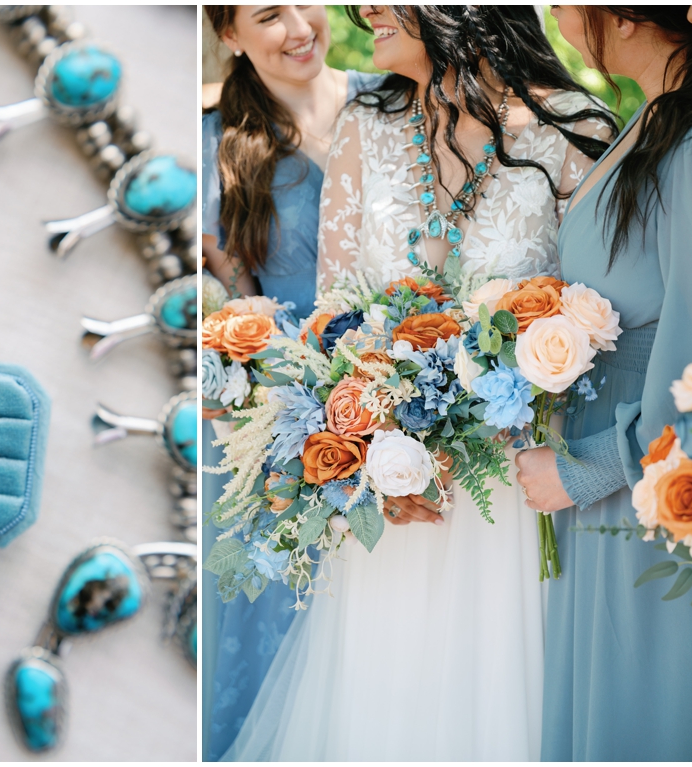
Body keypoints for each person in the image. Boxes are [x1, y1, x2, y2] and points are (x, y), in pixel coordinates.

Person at [222, 6, 617, 760]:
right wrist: (363, 443)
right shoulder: (366, 123)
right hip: (393, 494)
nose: (362, 8)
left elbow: (607, 316)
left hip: (516, 489)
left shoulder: (575, 127)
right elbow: (332, 320)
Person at [515, 6, 692, 761]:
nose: (557, 15)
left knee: (644, 706)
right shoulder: (652, 118)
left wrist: (587, 467)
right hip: (601, 482)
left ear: (623, 16)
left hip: (645, 485)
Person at [200, 6, 384, 760]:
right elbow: (227, 297)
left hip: (412, 397)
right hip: (288, 425)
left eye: (305, 0)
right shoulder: (217, 144)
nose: (301, 25)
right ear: (229, 34)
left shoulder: (393, 99)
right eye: (268, 14)